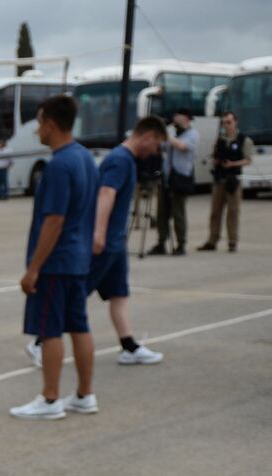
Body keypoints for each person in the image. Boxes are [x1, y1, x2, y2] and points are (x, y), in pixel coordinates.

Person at [10, 94, 98, 421]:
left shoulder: (60, 165)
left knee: (49, 330)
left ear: (51, 124)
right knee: (80, 326)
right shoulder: (85, 159)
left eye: (39, 125)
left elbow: (54, 220)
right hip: (77, 260)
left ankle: (50, 400)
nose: (38, 132)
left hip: (56, 263)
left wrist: (34, 268)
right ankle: (85, 395)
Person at [89, 116, 170, 366]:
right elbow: (105, 193)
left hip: (116, 242)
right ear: (148, 136)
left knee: (119, 294)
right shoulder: (120, 160)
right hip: (107, 241)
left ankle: (129, 346)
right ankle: (41, 341)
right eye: (156, 144)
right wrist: (99, 233)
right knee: (74, 293)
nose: (155, 151)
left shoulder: (125, 160)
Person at [198, 111, 254, 253]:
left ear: (235, 122)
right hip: (219, 178)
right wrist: (215, 161)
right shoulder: (220, 140)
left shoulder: (243, 140)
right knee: (215, 211)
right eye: (224, 123)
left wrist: (233, 164)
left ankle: (232, 241)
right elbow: (215, 155)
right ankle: (212, 239)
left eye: (229, 122)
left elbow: (248, 160)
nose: (226, 125)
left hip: (233, 180)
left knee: (233, 212)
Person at [148, 109, 198, 256]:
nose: (175, 118)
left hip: (181, 177)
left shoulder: (193, 135)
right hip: (167, 177)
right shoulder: (172, 132)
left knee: (178, 213)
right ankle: (161, 242)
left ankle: (181, 244)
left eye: (178, 116)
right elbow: (161, 147)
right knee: (162, 213)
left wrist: (165, 133)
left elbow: (182, 146)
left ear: (187, 118)